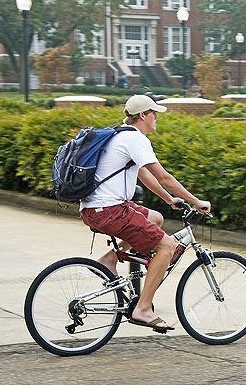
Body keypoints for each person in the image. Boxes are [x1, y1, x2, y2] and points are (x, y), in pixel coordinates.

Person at [79, 94, 211, 331]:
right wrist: (195, 200)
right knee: (167, 247)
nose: (156, 119)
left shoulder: (119, 135)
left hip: (97, 208)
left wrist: (169, 199)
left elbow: (144, 174)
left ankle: (109, 259)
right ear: (143, 115)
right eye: (154, 114)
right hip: (109, 210)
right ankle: (143, 308)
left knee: (155, 218)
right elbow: (164, 177)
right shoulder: (135, 139)